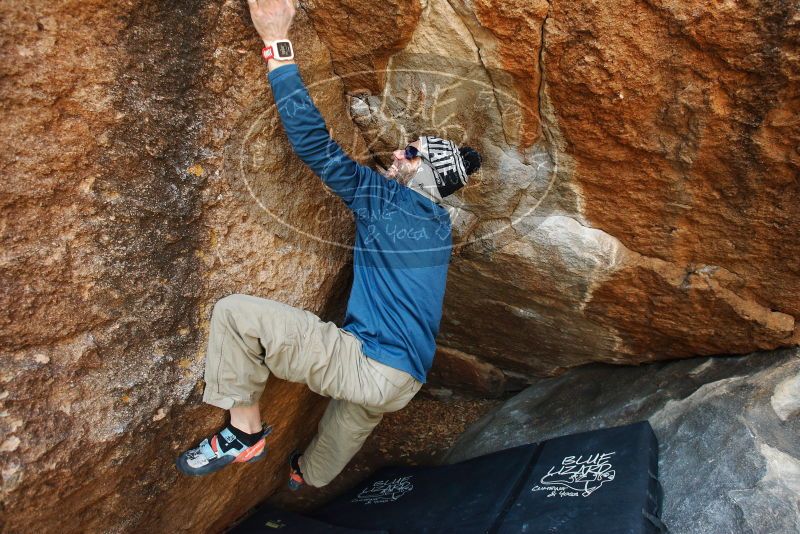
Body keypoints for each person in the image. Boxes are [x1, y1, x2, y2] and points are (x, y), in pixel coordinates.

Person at [175, 0, 482, 489]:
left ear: (424, 173)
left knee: (234, 315)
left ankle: (243, 432)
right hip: (405, 379)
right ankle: (307, 477)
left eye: (411, 153)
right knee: (352, 421)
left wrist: (276, 42)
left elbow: (314, 144)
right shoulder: (437, 227)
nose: (398, 154)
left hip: (372, 364)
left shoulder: (390, 201)